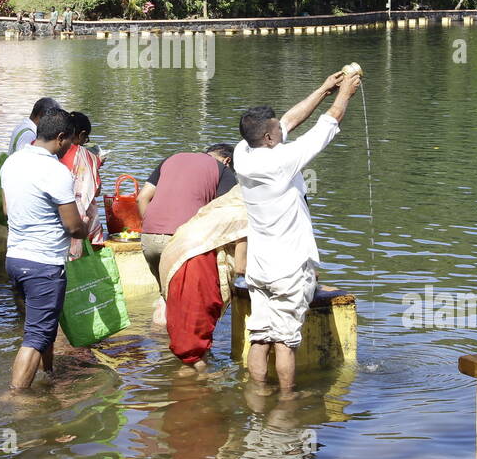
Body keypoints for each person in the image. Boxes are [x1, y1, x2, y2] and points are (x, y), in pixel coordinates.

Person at [234, 71, 360, 395]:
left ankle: (258, 396)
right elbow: (329, 124)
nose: (282, 128)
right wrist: (345, 92)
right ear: (269, 138)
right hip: (288, 269)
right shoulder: (283, 161)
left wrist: (323, 89)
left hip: (259, 269)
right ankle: (288, 405)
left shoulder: (242, 154)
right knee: (285, 342)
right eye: (277, 129)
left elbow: (290, 119)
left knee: (260, 337)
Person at [0, 108, 88, 390]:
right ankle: (17, 398)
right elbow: (74, 226)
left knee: (42, 326)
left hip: (14, 259)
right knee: (36, 336)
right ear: (61, 138)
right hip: (44, 265)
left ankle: (49, 376)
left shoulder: (11, 162)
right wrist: (85, 228)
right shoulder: (55, 171)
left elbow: (5, 209)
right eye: (70, 143)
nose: (70, 148)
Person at [159, 185, 249, 371]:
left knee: (187, 329)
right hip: (197, 264)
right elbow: (242, 266)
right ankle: (199, 383)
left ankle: (194, 377)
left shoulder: (225, 203)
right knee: (196, 343)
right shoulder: (247, 213)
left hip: (175, 256)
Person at [138, 144, 238, 287]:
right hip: (184, 242)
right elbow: (225, 214)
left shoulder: (171, 159)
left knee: (167, 296)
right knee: (191, 299)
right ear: (227, 161)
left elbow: (142, 198)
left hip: (149, 239)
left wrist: (152, 228)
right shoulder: (223, 170)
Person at [58, 111, 106, 259]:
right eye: (86, 138)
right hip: (76, 219)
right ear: (81, 134)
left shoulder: (52, 149)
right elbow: (95, 190)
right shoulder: (86, 156)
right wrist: (96, 165)